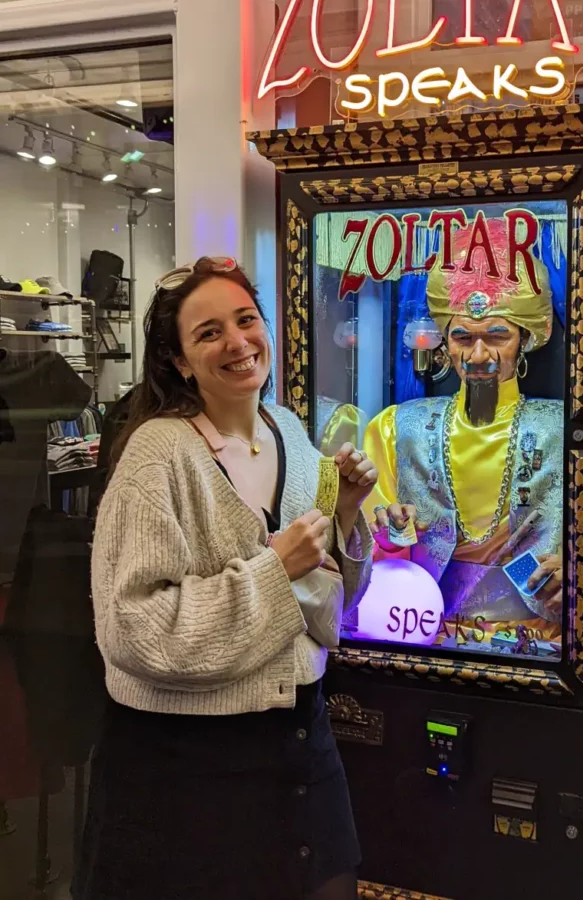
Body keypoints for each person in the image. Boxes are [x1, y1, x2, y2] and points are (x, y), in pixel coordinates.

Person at [73, 257, 376, 900]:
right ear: (181, 361)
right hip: (187, 765)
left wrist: (346, 518)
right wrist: (276, 570)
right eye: (208, 333)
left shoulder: (290, 433)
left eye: (246, 321)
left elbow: (329, 609)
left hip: (303, 737)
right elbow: (134, 631)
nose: (237, 343)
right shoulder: (158, 454)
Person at [362, 221, 583, 648]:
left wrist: (581, 577)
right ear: (445, 342)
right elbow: (369, 555)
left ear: (524, 340)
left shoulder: (580, 436)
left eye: (497, 336)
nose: (479, 355)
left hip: (540, 645)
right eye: (463, 337)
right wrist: (392, 536)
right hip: (422, 635)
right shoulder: (395, 430)